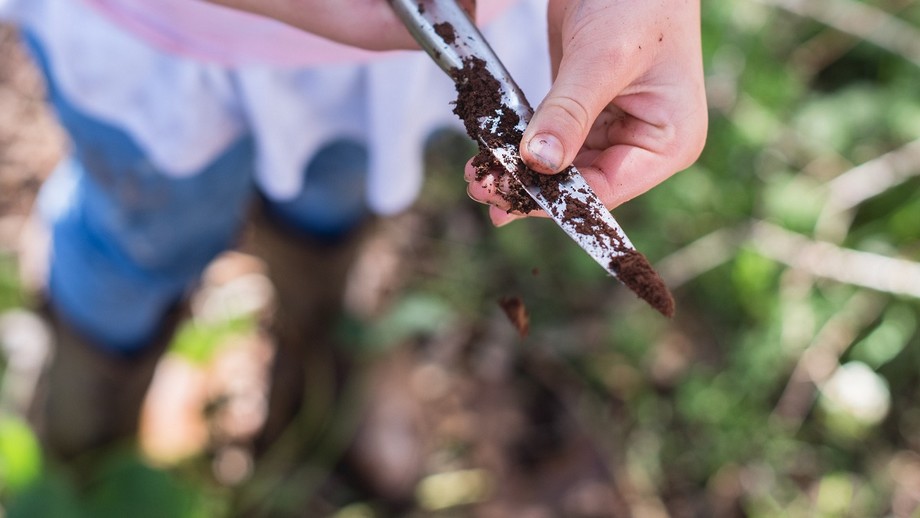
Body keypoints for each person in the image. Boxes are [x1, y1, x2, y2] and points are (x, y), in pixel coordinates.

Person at [0, 0, 707, 510]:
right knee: (141, 237)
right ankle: (82, 441)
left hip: (387, 59)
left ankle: (310, 371)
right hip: (158, 38)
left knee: (334, 196)